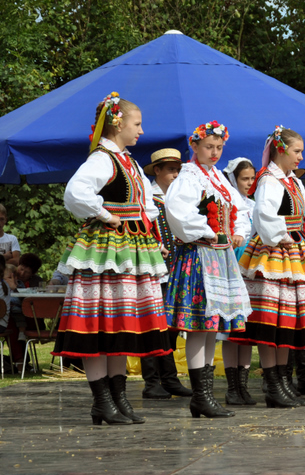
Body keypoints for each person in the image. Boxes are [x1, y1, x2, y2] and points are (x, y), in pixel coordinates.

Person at [52, 92, 172, 425]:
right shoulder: (102, 159)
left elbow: (146, 205)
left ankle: (119, 399)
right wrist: (105, 214)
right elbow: (75, 194)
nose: (141, 131)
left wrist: (154, 241)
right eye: (137, 124)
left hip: (131, 250)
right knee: (99, 325)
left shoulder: (129, 162)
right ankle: (102, 400)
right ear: (117, 123)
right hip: (106, 251)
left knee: (120, 324)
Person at [232, 126, 305, 408]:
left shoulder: (294, 182)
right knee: (271, 321)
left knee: (288, 320)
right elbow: (263, 214)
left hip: (294, 253)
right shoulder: (269, 181)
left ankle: (282, 382)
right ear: (280, 149)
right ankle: (273, 384)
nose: (301, 156)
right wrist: (284, 236)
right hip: (273, 254)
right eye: (297, 151)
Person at [164, 119, 252, 418]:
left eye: (218, 148)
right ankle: (200, 395)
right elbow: (176, 210)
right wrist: (207, 230)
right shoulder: (188, 178)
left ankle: (205, 396)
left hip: (220, 257)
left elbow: (237, 208)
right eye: (208, 147)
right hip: (199, 255)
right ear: (195, 146)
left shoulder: (216, 177)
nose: (214, 153)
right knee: (200, 327)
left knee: (212, 327)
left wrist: (238, 230)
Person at [139, 148, 193, 400]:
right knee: (153, 325)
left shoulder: (179, 196)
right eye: (170, 169)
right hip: (155, 269)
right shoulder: (147, 197)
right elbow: (141, 227)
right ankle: (151, 382)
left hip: (176, 268)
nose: (175, 173)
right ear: (157, 170)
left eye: (177, 169)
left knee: (170, 325)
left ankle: (168, 378)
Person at [216, 157, 258, 406]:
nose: (250, 183)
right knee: (232, 329)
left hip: (250, 266)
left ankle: (243, 385)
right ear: (233, 179)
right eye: (245, 178)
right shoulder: (226, 202)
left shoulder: (252, 204)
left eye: (252, 178)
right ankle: (232, 386)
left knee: (246, 328)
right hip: (232, 263)